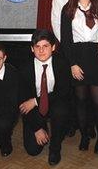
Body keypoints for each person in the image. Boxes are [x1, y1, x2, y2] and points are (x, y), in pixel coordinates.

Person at [59, 0, 98, 153]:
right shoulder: (68, 9)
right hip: (77, 57)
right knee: (81, 100)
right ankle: (85, 135)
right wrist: (72, 63)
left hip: (97, 58)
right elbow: (66, 39)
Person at [19, 29, 72, 165]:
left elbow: (64, 91)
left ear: (53, 47)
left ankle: (55, 147)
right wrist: (37, 128)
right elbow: (23, 103)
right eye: (37, 47)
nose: (41, 51)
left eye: (45, 46)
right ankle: (42, 126)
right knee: (33, 150)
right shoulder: (25, 67)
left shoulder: (62, 63)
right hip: (33, 109)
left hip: (54, 102)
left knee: (61, 110)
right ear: (32, 49)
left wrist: (36, 101)